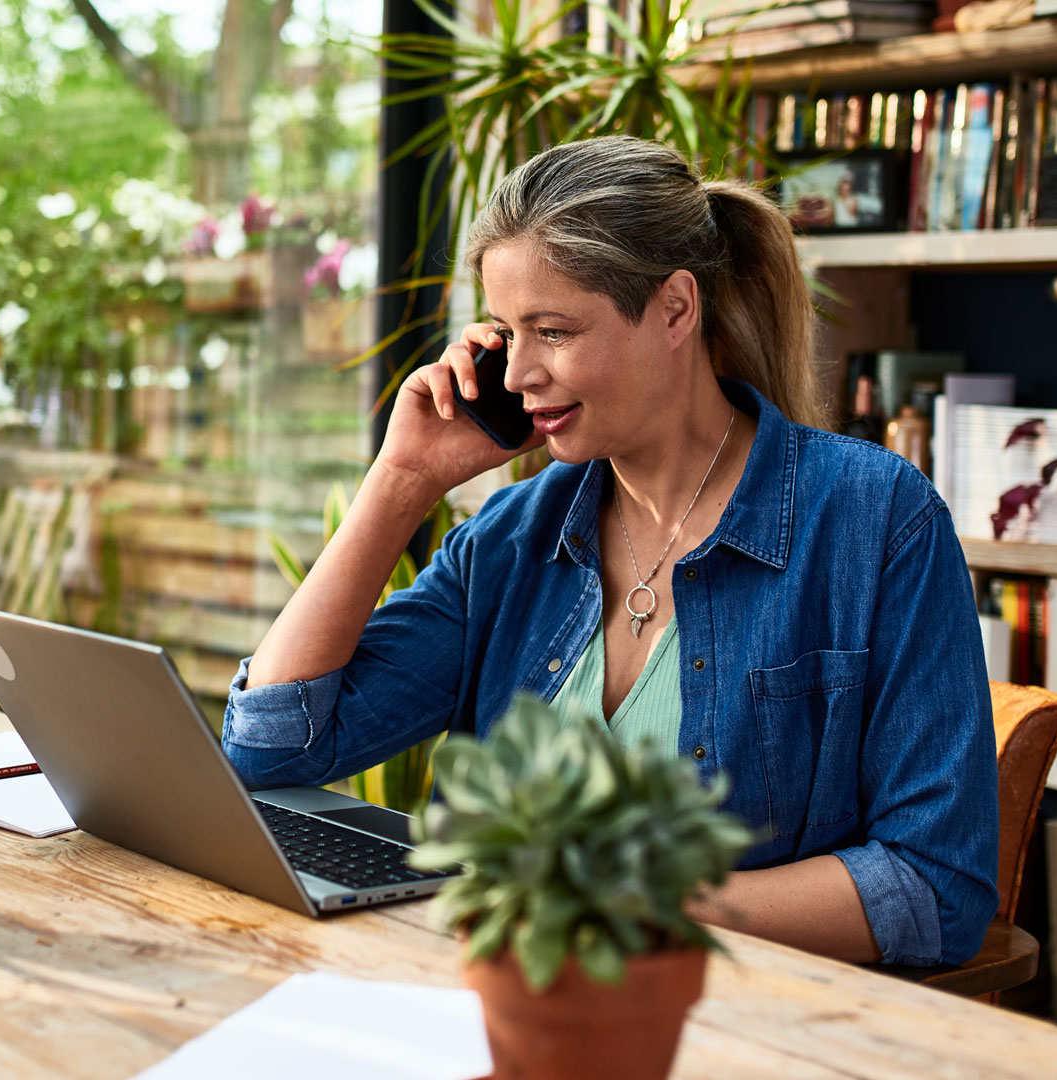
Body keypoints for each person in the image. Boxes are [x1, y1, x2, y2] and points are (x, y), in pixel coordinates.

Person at [221, 135, 997, 968]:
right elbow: (270, 749)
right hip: (491, 1006)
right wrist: (402, 478)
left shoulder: (873, 519)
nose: (517, 374)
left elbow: (932, 888)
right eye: (505, 334)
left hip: (735, 1026)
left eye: (552, 331)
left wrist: (633, 902)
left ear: (673, 309)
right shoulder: (512, 539)